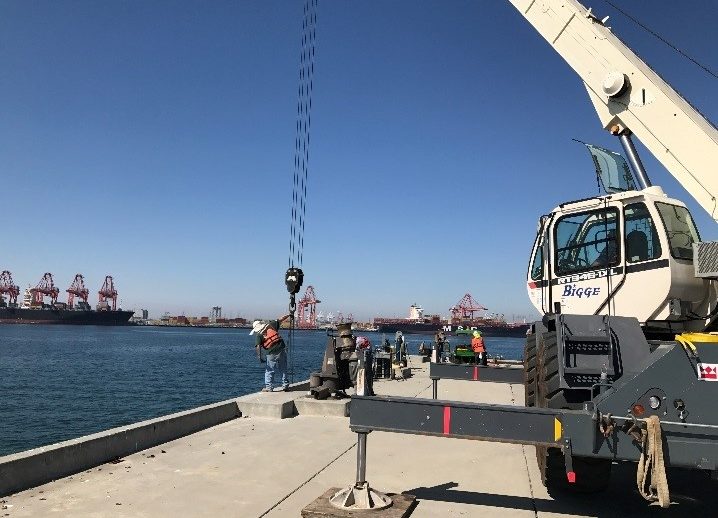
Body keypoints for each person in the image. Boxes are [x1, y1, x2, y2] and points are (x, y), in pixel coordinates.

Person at [250, 314, 290, 392]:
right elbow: (281, 319)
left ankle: (269, 387)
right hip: (281, 349)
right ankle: (285, 385)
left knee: (269, 370)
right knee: (283, 368)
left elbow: (258, 347)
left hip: (271, 352)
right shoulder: (271, 325)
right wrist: (289, 314)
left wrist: (259, 357)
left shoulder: (259, 335)